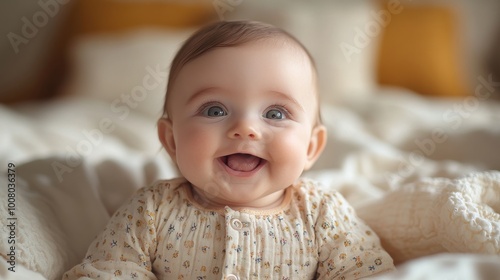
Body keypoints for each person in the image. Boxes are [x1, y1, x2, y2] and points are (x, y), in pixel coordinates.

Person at [63, 20, 394, 279]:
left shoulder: (322, 213)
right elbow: (108, 272)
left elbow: (367, 273)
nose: (245, 128)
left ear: (311, 147)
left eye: (275, 113)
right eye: (214, 110)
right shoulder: (151, 211)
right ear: (172, 140)